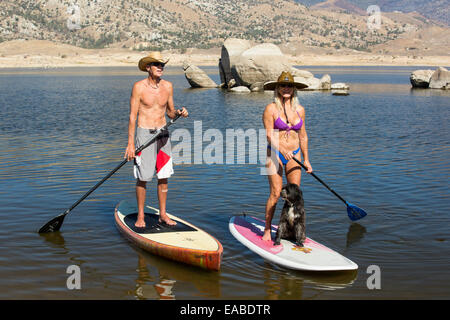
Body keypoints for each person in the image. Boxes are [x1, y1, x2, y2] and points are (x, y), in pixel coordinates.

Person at [124, 51, 188, 228]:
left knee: (164, 176)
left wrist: (179, 113)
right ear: (148, 67)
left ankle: (163, 214)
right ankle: (141, 216)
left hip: (163, 134)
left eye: (162, 65)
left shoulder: (167, 86)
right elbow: (132, 116)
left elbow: (170, 112)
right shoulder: (139, 87)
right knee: (143, 177)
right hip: (144, 134)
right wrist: (130, 144)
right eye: (157, 64)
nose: (161, 67)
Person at [261, 71, 313, 242]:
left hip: (295, 154)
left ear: (294, 88)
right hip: (275, 153)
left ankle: (291, 230)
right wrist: (282, 149)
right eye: (283, 85)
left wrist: (306, 159)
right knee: (276, 193)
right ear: (277, 88)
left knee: (293, 196)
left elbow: (303, 135)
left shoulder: (300, 110)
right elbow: (269, 135)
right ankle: (268, 229)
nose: (286, 88)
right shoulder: (271, 108)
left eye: (289, 85)